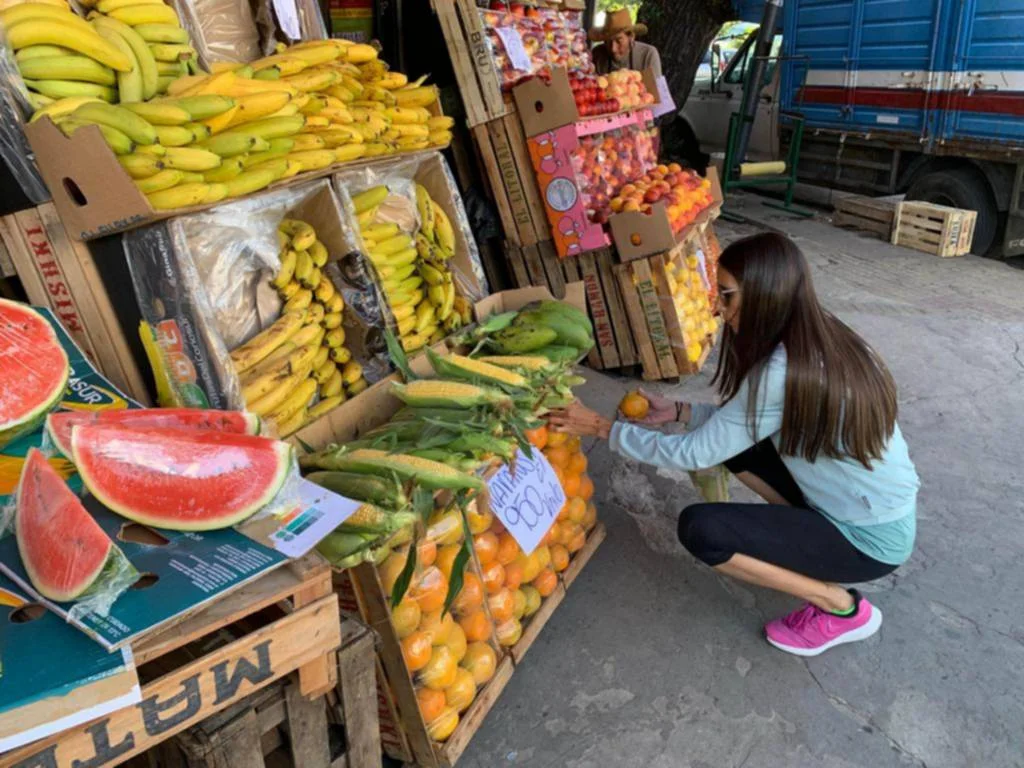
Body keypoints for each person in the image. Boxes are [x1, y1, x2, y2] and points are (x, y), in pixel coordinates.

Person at [549, 233, 920, 657]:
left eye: (726, 296)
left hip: (867, 539)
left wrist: (599, 426)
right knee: (734, 447)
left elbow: (695, 453)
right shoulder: (824, 337)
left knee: (702, 531)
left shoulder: (781, 370)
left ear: (765, 294)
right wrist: (679, 411)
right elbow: (740, 426)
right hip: (868, 508)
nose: (718, 308)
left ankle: (840, 607)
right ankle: (798, 533)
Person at [590, 8, 662, 78]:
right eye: (607, 42)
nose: (613, 49)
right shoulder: (597, 55)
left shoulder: (648, 55)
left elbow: (658, 89)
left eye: (618, 41)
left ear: (631, 37)